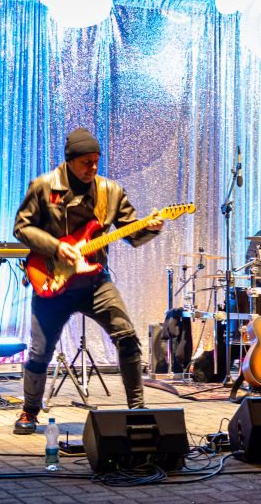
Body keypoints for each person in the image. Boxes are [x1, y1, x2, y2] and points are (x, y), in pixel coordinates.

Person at [12, 128, 164, 434]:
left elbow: (131, 233)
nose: (93, 167)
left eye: (96, 161)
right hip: (53, 279)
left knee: (127, 336)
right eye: (86, 162)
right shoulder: (43, 186)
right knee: (40, 350)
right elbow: (22, 227)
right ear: (69, 161)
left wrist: (150, 228)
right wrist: (56, 246)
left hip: (94, 281)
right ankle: (29, 411)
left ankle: (138, 409)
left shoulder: (111, 191)